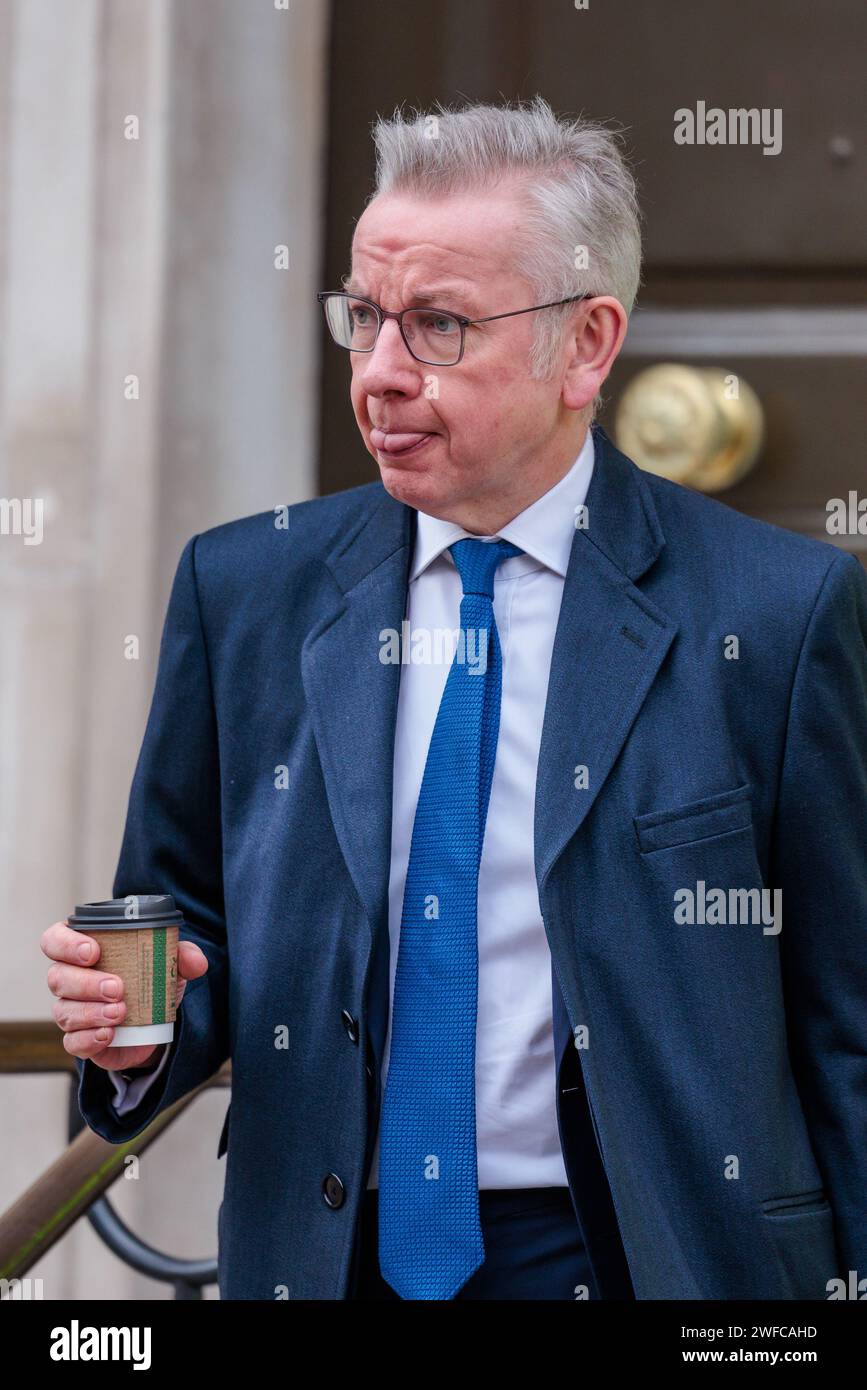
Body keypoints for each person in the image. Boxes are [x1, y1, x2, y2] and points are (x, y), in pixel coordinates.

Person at [42, 96, 867, 1301]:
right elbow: (185, 920)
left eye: (436, 326)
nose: (379, 374)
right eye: (364, 318)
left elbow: (847, 1016)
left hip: (654, 1257)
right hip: (327, 1254)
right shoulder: (247, 587)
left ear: (586, 345)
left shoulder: (776, 611)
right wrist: (139, 1028)